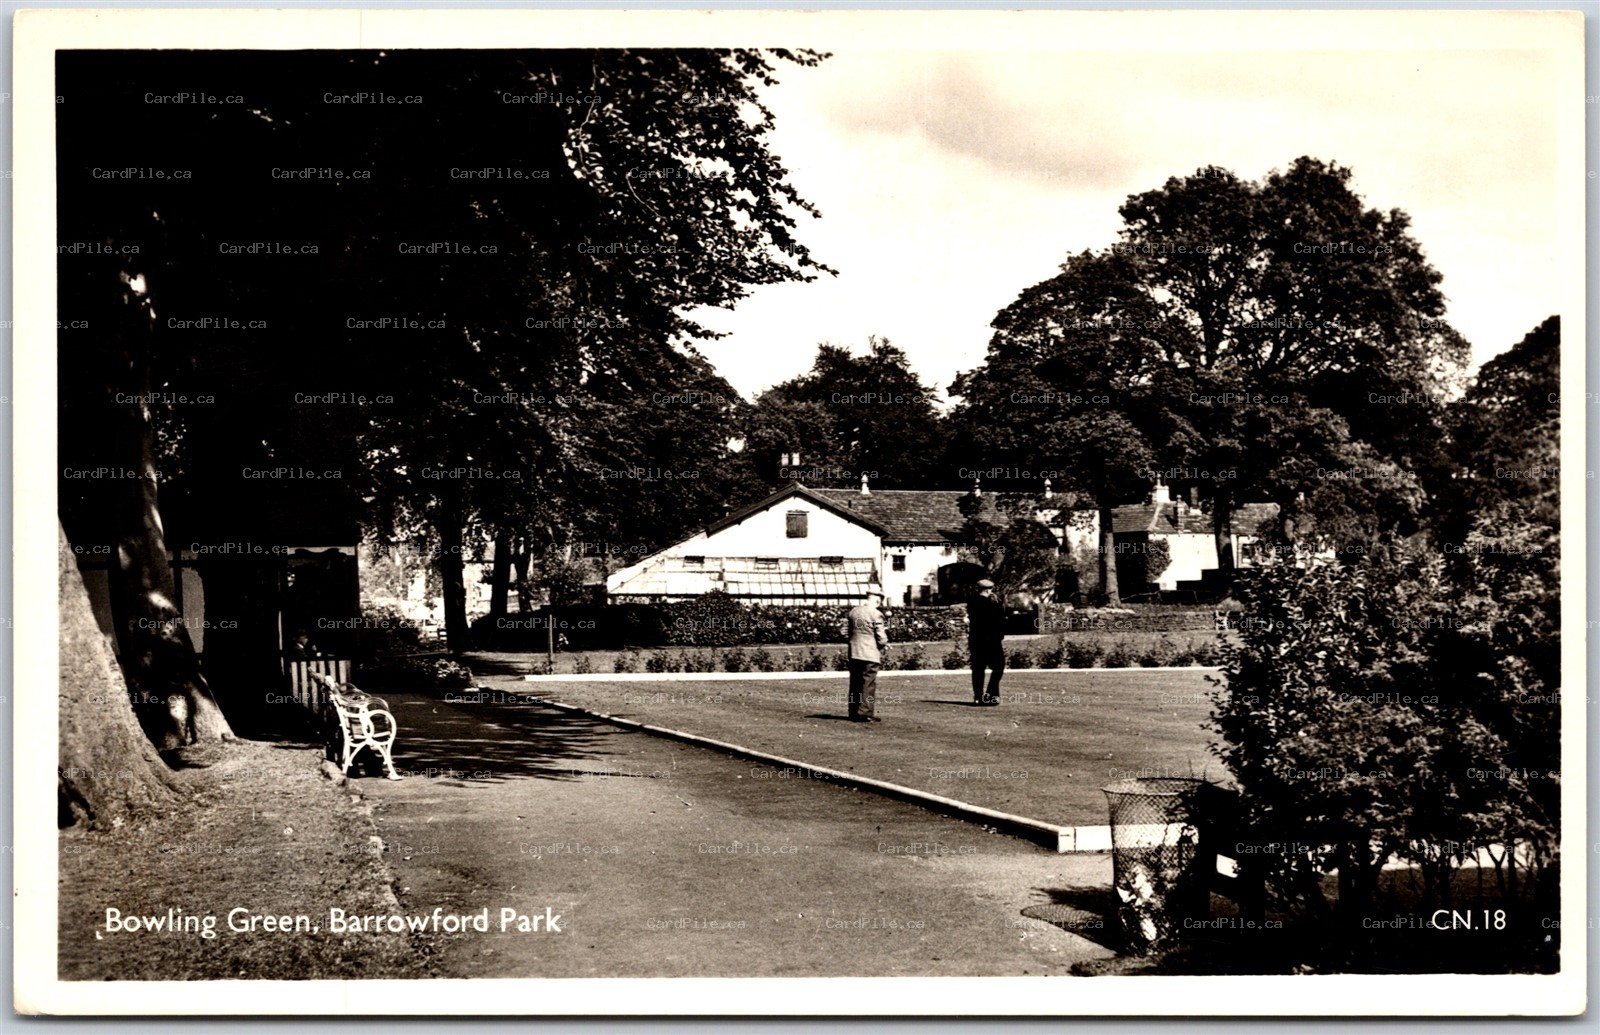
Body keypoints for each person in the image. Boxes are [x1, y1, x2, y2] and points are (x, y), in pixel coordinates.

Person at [846, 586, 889, 723]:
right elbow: (881, 637)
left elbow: (844, 631)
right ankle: (865, 712)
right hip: (869, 653)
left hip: (854, 651)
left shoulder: (854, 611)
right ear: (878, 601)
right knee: (868, 684)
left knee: (855, 683)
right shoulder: (876, 614)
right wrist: (883, 644)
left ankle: (853, 712)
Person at [967, 579, 1005, 706]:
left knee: (978, 668)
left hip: (976, 639)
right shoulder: (991, 604)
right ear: (989, 589)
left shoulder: (972, 602)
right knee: (999, 666)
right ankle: (991, 693)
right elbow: (999, 618)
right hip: (991, 640)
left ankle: (978, 696)